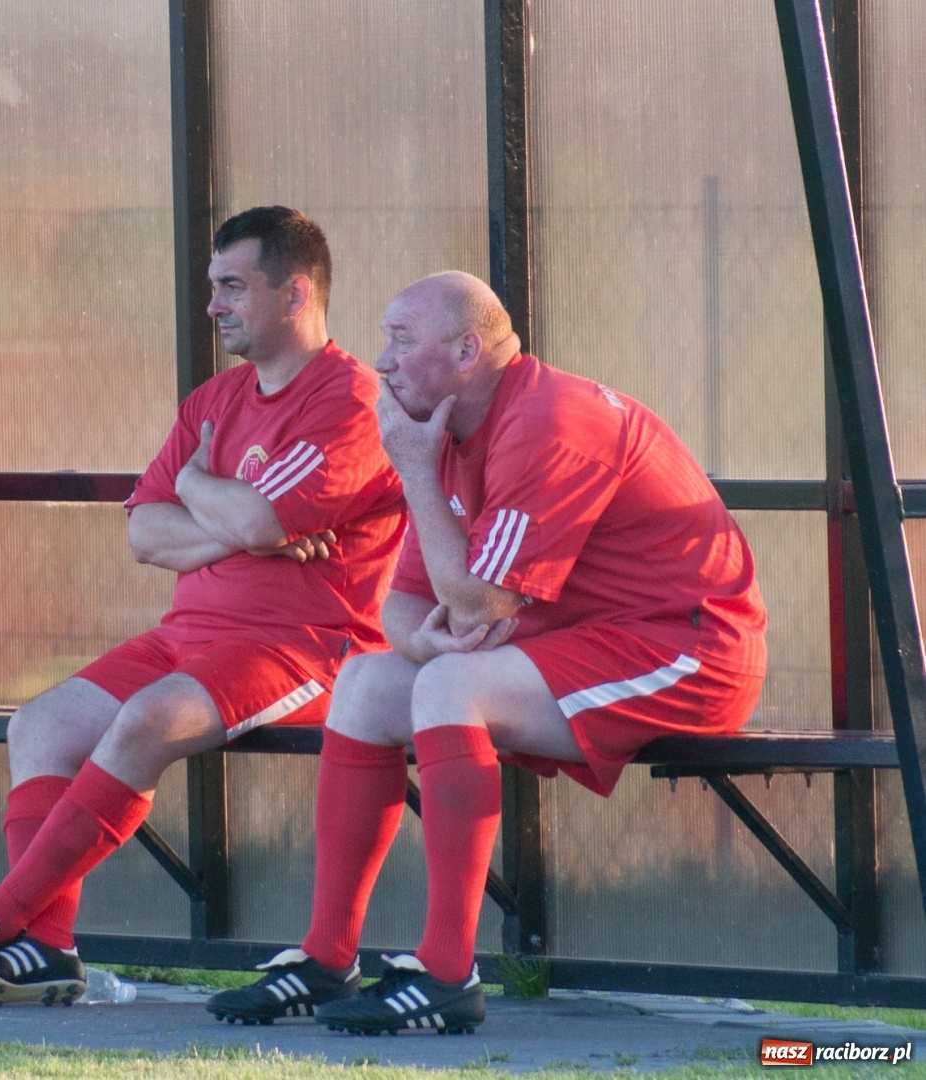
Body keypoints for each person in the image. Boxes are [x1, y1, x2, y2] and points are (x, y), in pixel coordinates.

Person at [208, 271, 766, 1034]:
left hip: (688, 650)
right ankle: (327, 958)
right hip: (585, 647)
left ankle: (446, 973)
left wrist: (412, 482)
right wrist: (428, 637)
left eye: (402, 340)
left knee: (449, 688)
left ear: (468, 348)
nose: (382, 362)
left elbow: (476, 604)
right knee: (368, 683)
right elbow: (401, 605)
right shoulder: (442, 427)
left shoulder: (547, 420)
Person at [0, 206, 408, 1006]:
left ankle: (0, 916)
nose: (213, 305)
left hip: (303, 645)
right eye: (212, 287)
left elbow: (258, 518)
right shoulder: (213, 401)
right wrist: (242, 526)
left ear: (295, 292)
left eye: (232, 286)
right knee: (41, 724)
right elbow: (146, 534)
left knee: (145, 721)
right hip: (188, 636)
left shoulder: (350, 399)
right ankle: (48, 951)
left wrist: (204, 489)